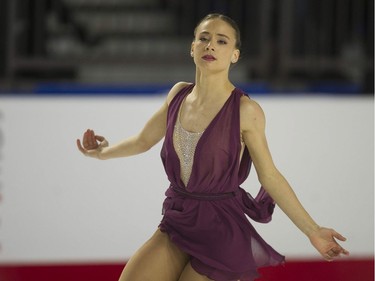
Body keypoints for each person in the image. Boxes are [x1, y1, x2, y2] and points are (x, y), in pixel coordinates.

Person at [77, 13, 349, 281]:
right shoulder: (178, 95)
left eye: (222, 41)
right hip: (179, 220)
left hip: (221, 229)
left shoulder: (245, 110)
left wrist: (313, 230)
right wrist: (102, 153)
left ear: (234, 55)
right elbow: (142, 140)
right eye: (204, 38)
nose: (210, 45)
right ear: (192, 48)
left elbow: (270, 176)